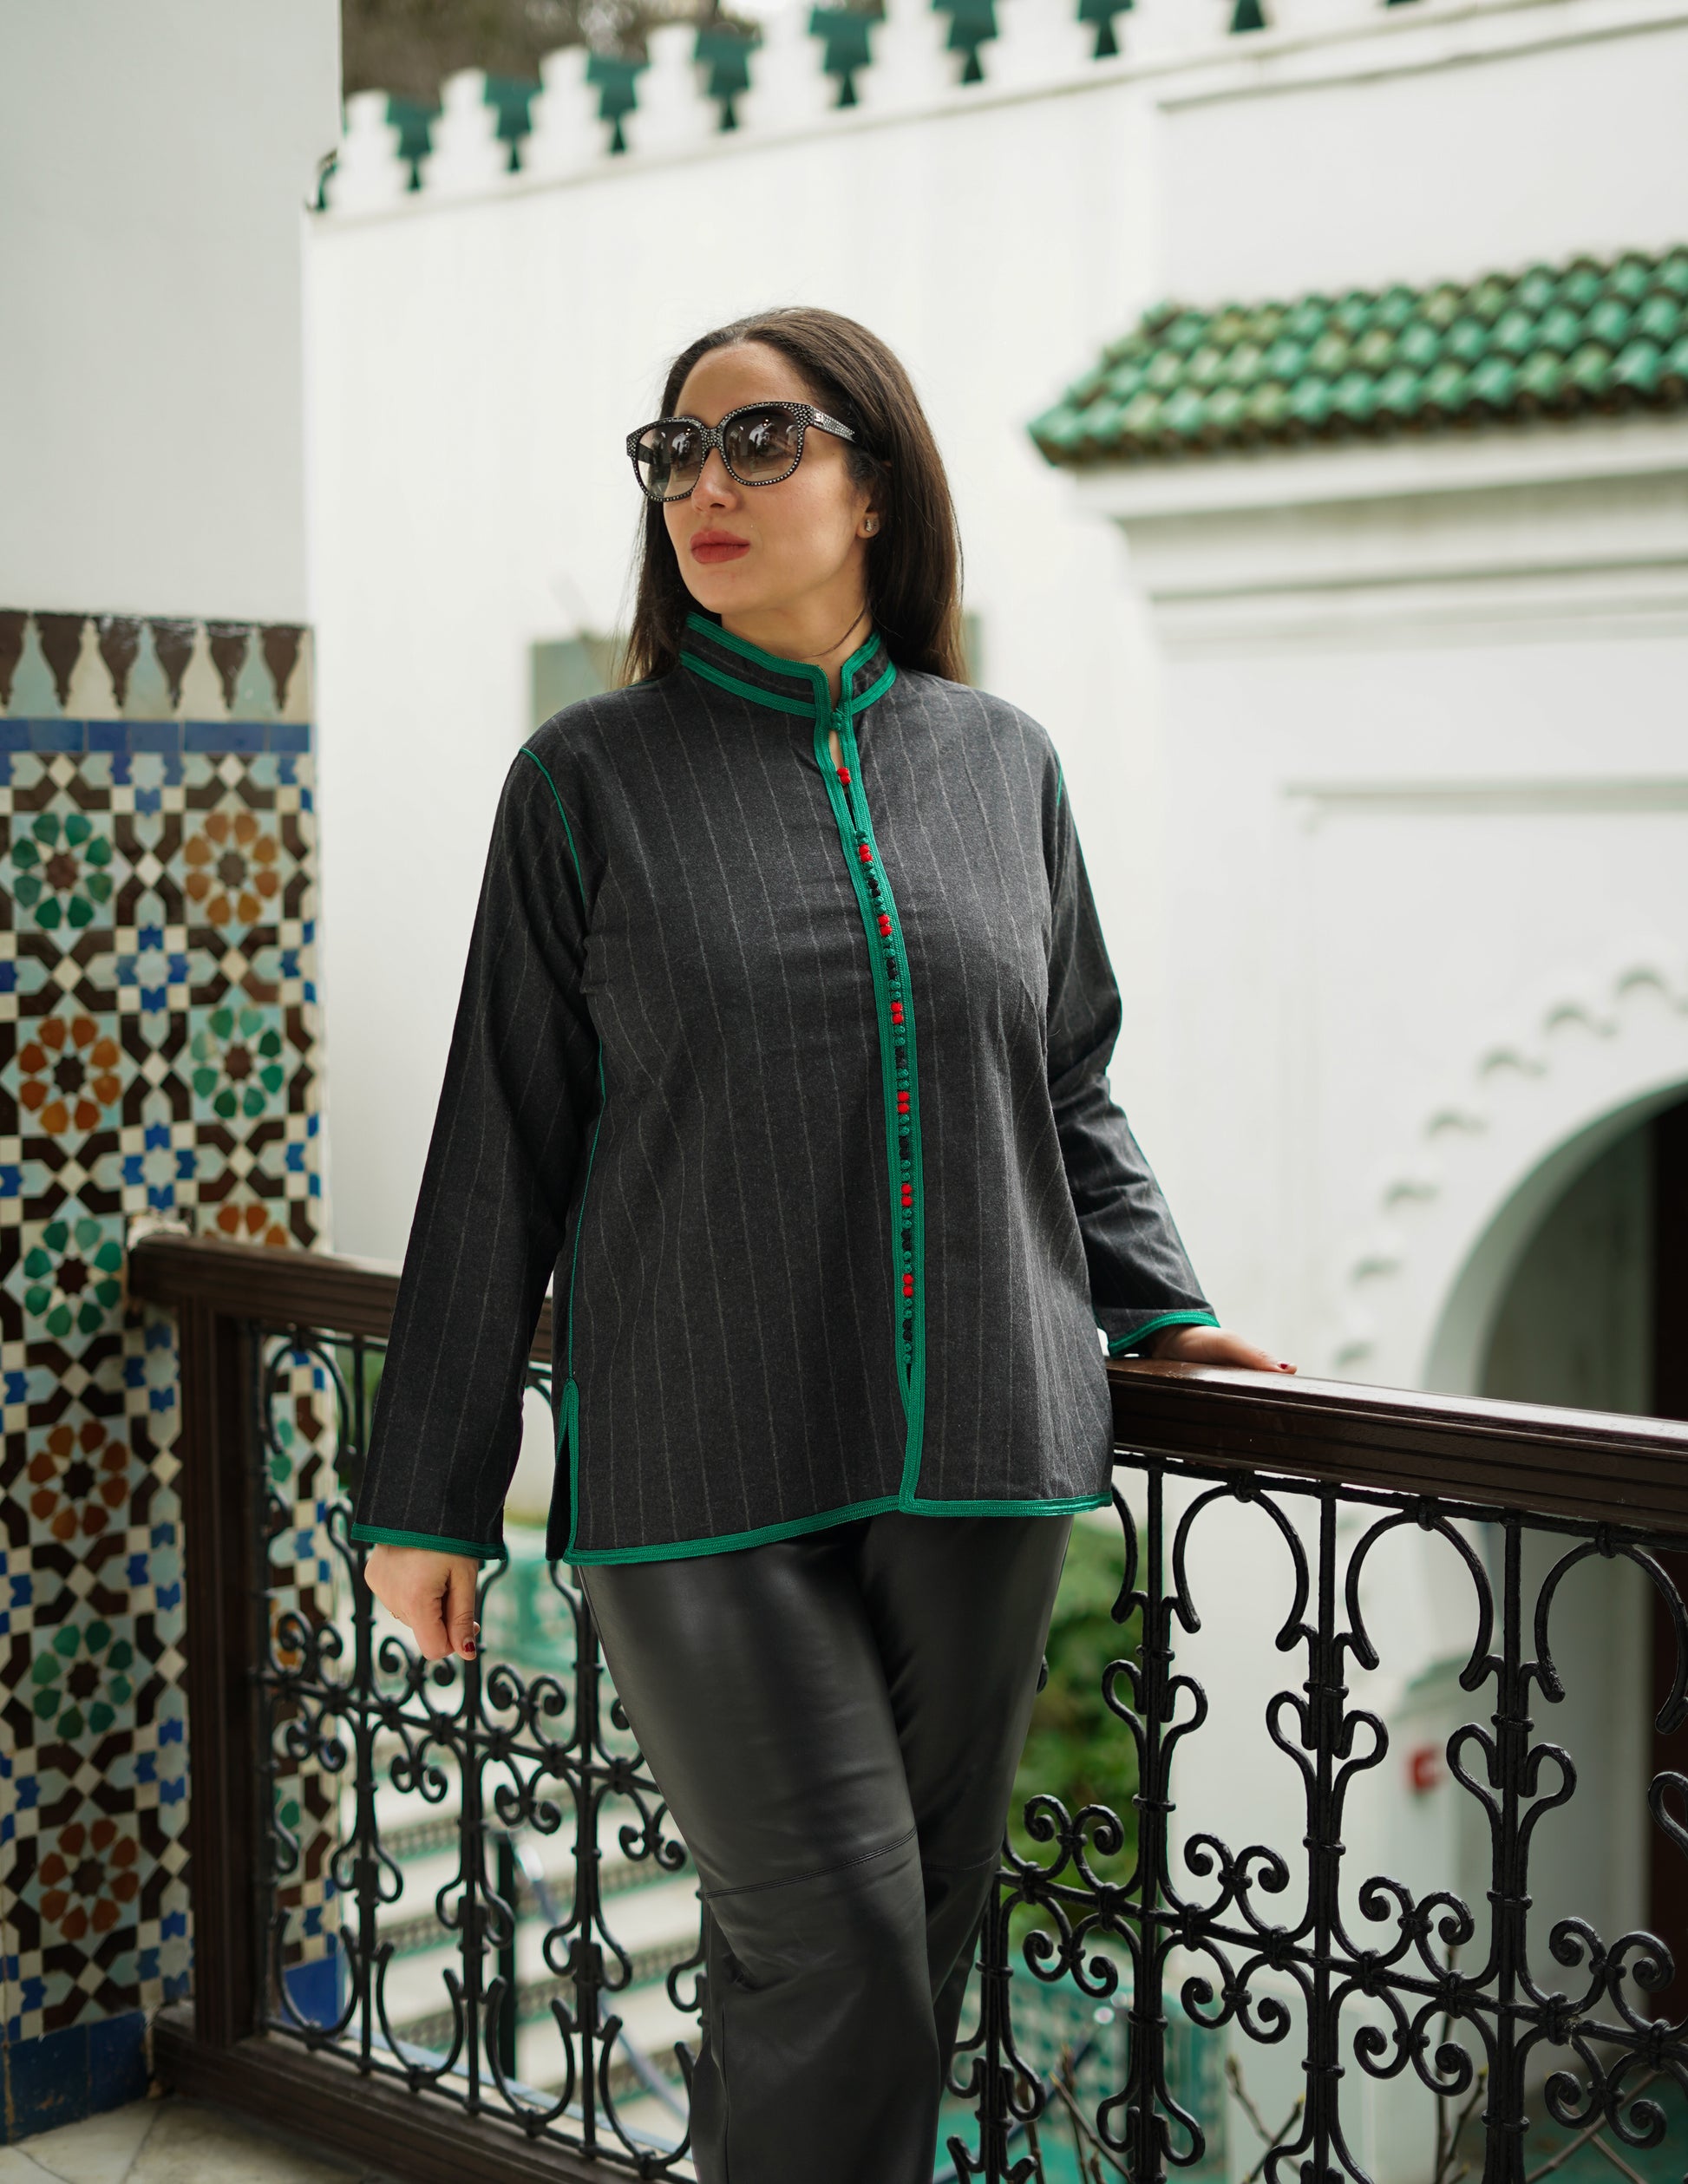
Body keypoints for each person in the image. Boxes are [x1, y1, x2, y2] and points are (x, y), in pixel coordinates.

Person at [352, 304, 1293, 2183]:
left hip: (982, 1451)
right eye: (675, 453)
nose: (704, 483)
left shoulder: (1001, 762)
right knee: (844, 1941)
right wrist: (432, 1488)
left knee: (869, 1972)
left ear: (874, 485)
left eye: (759, 441)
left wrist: (1161, 1307)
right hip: (695, 1463)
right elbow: (498, 1143)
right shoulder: (585, 781)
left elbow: (1066, 1076)